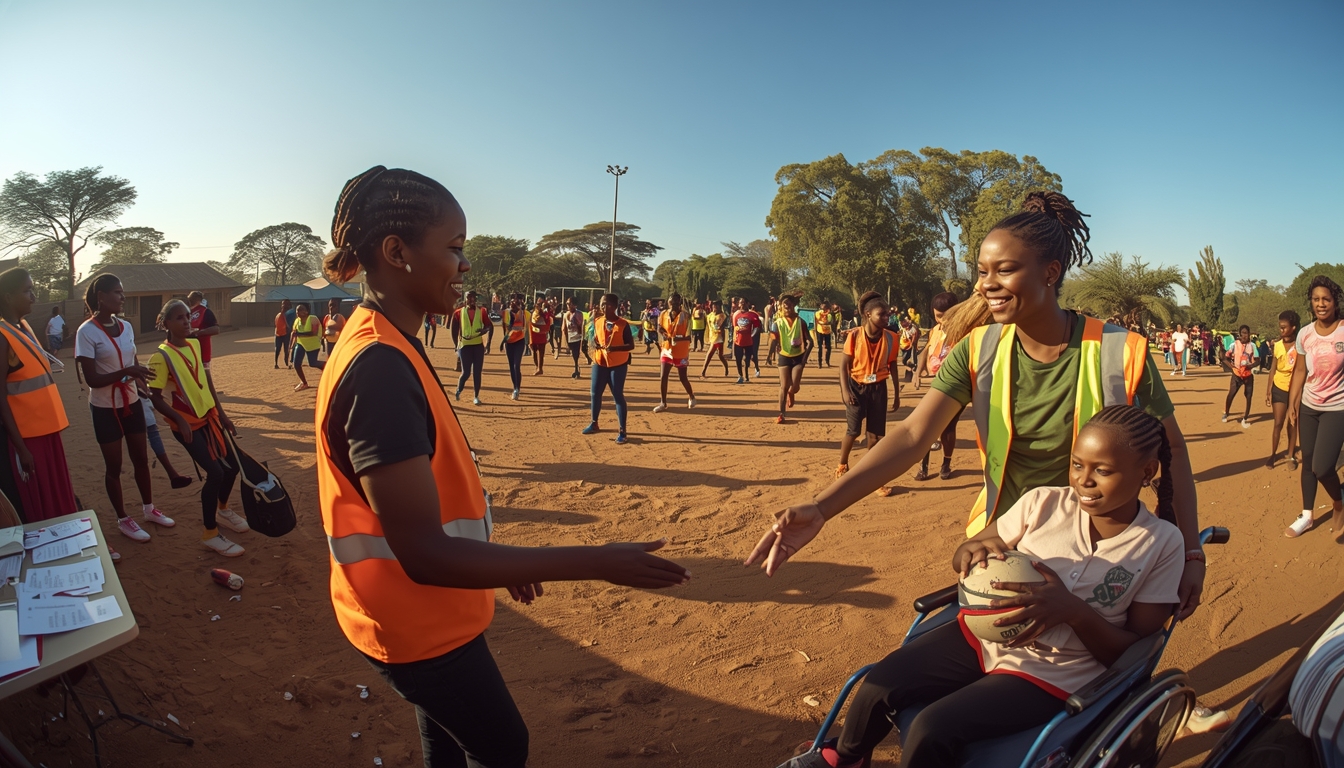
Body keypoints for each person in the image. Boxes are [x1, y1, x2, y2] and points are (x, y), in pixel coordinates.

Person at [318, 166, 689, 768]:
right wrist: (596, 560)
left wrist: (495, 563)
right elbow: (425, 553)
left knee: (448, 742)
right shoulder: (380, 365)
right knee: (501, 746)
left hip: (425, 608)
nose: (467, 265)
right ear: (396, 252)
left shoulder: (389, 340)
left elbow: (428, 509)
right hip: (413, 620)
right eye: (455, 248)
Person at [748, 191, 1206, 622]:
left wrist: (1189, 552)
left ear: (1050, 272)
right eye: (982, 272)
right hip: (1002, 545)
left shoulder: (1119, 351)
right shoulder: (979, 350)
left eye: (1004, 270)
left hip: (1100, 558)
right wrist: (822, 508)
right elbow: (911, 435)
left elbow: (1175, 453)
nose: (988, 285)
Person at [776, 406, 1184, 768]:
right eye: (1077, 465)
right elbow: (971, 548)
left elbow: (1133, 649)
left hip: (1055, 672)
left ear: (1147, 472)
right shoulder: (1042, 502)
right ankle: (843, 757)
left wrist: (1073, 612)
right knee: (880, 683)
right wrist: (972, 557)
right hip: (984, 635)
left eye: (1103, 471)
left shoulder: (1162, 543)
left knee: (930, 729)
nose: (1084, 481)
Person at [75, 273, 176, 544]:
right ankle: (123, 519)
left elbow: (133, 362)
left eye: (123, 292)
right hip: (105, 407)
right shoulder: (86, 331)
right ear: (101, 297)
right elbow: (93, 380)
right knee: (114, 466)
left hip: (131, 402)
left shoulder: (127, 327)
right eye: (118, 292)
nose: (123, 297)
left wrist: (140, 379)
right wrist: (126, 371)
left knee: (141, 459)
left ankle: (148, 509)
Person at [147, 300, 249, 557]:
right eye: (179, 318)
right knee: (215, 473)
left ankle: (223, 510)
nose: (186, 322)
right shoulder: (160, 357)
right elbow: (155, 397)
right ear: (166, 324)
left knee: (233, 466)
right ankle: (210, 533)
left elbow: (206, 380)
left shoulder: (194, 344)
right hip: (187, 426)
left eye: (188, 317)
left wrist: (222, 414)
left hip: (210, 418)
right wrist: (179, 420)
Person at [0, 268, 78, 524]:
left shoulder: (23, 327)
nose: (33, 296)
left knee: (58, 492)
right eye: (27, 290)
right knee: (40, 501)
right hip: (26, 437)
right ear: (8, 296)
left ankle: (72, 540)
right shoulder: (2, 336)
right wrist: (21, 448)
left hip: (46, 430)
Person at [1285, 276, 1344, 539]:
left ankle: (1339, 501)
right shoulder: (1304, 334)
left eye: (1326, 299)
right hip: (1309, 405)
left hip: (1337, 407)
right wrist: (1292, 402)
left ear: (1335, 302)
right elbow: (1299, 370)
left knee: (1322, 466)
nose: (1321, 304)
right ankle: (1307, 515)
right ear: (1311, 302)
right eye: (1316, 299)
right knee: (1307, 461)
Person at [834, 291, 900, 497]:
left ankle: (873, 478)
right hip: (856, 387)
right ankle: (842, 465)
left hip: (878, 388)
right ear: (868, 314)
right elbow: (843, 366)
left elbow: (893, 366)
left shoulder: (892, 338)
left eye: (888, 314)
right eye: (882, 314)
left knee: (875, 436)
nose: (886, 318)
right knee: (853, 431)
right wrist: (845, 391)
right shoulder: (854, 336)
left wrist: (897, 394)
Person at [913, 291, 963, 481]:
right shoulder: (935, 330)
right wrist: (918, 372)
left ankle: (946, 464)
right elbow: (926, 351)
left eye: (943, 316)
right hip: (932, 385)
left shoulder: (963, 332)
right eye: (937, 316)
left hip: (953, 387)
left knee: (948, 428)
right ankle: (924, 466)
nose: (940, 320)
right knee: (927, 426)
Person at [583, 293, 634, 444]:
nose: (605, 307)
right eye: (602, 304)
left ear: (616, 307)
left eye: (608, 304)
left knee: (617, 395)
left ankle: (623, 431)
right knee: (595, 393)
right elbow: (595, 339)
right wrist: (594, 347)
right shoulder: (597, 321)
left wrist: (616, 348)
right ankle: (594, 423)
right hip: (600, 362)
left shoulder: (623, 325)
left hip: (617, 364)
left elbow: (631, 345)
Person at [138, 390, 192, 490]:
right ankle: (171, 474)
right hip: (125, 398)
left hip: (136, 397)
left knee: (152, 431)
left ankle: (172, 474)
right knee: (150, 434)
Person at [1266, 310, 1300, 469]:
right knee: (1278, 423)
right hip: (1279, 388)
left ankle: (1291, 456)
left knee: (1292, 423)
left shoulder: (1300, 346)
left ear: (1293, 328)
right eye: (1280, 328)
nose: (1281, 331)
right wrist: (1268, 389)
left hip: (1296, 390)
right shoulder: (1277, 345)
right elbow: (1273, 369)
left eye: (1284, 327)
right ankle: (1273, 454)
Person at [653, 293, 696, 413]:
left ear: (680, 303)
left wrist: (678, 339)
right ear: (668, 303)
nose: (673, 305)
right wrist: (665, 334)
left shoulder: (686, 316)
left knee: (682, 378)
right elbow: (659, 327)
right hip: (667, 349)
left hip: (681, 351)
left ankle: (691, 396)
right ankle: (663, 402)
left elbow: (689, 337)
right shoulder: (663, 314)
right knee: (663, 376)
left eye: (676, 303)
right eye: (671, 303)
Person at [772, 295, 811, 424]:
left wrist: (804, 359)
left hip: (798, 357)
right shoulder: (777, 323)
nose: (786, 305)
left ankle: (791, 392)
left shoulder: (801, 322)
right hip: (784, 356)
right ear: (781, 306)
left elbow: (810, 342)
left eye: (789, 303)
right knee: (783, 386)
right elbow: (773, 339)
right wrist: (770, 354)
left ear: (794, 305)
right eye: (784, 303)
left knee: (795, 386)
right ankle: (781, 414)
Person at [451, 291, 493, 404]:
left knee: (477, 372)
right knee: (466, 373)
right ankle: (459, 390)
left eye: (473, 298)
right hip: (464, 346)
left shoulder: (482, 312)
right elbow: (454, 330)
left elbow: (489, 325)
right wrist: (456, 345)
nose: (471, 300)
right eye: (469, 298)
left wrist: (485, 333)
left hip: (478, 345)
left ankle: (476, 396)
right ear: (465, 299)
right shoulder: (458, 313)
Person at [1221, 325, 1256, 428]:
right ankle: (1226, 413)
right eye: (1243, 333)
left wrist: (1250, 366)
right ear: (1240, 334)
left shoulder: (1252, 346)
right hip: (1236, 374)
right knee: (1231, 394)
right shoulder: (1234, 345)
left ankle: (1245, 418)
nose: (1245, 335)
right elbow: (1225, 357)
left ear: (1249, 333)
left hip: (1248, 375)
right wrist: (1231, 367)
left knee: (1249, 396)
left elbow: (1258, 360)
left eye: (1246, 333)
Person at [499, 294, 528, 400]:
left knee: (516, 366)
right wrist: (503, 342)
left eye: (516, 303)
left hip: (519, 342)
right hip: (509, 343)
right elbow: (504, 328)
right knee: (511, 366)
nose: (513, 304)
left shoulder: (524, 313)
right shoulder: (506, 313)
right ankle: (514, 386)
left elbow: (527, 326)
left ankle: (517, 389)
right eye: (511, 302)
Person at [291, 302, 325, 391]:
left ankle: (327, 366)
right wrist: (292, 345)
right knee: (296, 363)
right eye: (297, 310)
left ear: (306, 311)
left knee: (313, 363)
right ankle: (304, 383)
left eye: (301, 309)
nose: (298, 311)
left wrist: (298, 334)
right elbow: (294, 333)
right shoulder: (297, 321)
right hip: (301, 343)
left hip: (313, 344)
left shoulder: (313, 319)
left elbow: (313, 333)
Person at [186, 291, 220, 370]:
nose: (189, 301)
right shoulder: (187, 312)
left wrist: (198, 333)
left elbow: (216, 329)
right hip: (188, 351)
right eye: (189, 299)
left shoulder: (205, 312)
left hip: (202, 352)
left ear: (198, 300)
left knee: (204, 376)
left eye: (191, 299)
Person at [698, 300, 730, 379]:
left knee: (710, 354)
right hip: (712, 336)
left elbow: (719, 327)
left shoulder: (722, 316)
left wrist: (723, 338)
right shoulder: (710, 315)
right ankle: (726, 367)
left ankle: (703, 371)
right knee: (720, 356)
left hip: (718, 337)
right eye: (713, 306)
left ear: (719, 307)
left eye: (716, 306)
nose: (714, 307)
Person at [561, 297, 587, 379]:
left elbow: (581, 326)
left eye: (570, 304)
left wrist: (583, 338)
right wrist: (565, 340)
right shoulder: (566, 314)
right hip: (570, 337)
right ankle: (576, 367)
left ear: (574, 305)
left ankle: (576, 369)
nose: (568, 305)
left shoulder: (579, 314)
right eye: (567, 304)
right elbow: (564, 327)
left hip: (577, 337)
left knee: (576, 354)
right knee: (573, 354)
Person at [528, 298, 552, 376]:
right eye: (538, 304)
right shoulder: (533, 313)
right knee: (534, 351)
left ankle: (540, 368)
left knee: (541, 352)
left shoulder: (545, 313)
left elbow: (548, 321)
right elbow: (531, 324)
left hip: (541, 334)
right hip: (534, 334)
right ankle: (537, 367)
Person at [273, 298, 294, 368]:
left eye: (286, 304)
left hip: (286, 334)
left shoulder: (290, 314)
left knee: (286, 349)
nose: (284, 306)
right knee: (278, 349)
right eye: (283, 304)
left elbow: (290, 325)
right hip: (278, 334)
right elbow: (276, 324)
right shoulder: (279, 315)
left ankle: (287, 362)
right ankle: (276, 363)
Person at [814, 302, 833, 368]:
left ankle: (827, 361)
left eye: (825, 307)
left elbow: (830, 321)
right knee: (820, 347)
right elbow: (818, 320)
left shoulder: (829, 314)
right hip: (820, 331)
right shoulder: (817, 313)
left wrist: (827, 317)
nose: (823, 308)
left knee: (828, 347)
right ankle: (820, 363)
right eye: (822, 306)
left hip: (827, 331)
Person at [763, 296, 778, 366]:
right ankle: (770, 357)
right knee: (774, 341)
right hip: (772, 324)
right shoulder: (771, 307)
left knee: (772, 341)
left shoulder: (766, 306)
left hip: (769, 323)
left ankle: (771, 357)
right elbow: (770, 315)